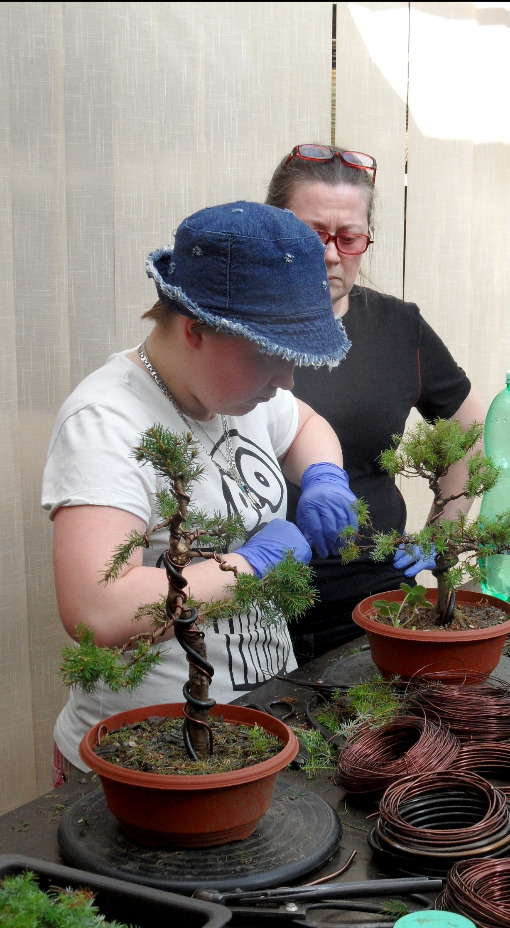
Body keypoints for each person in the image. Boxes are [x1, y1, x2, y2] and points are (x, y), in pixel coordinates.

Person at [42, 200, 358, 782]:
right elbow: (96, 608)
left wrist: (323, 476)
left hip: (256, 724)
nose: (286, 379)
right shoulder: (107, 421)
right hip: (145, 754)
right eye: (269, 356)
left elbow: (305, 425)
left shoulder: (242, 391)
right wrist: (249, 566)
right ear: (195, 329)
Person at [265, 143, 486, 663]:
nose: (330, 254)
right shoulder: (234, 333)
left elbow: (470, 424)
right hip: (251, 601)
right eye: (312, 235)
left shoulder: (397, 328)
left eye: (349, 237)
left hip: (372, 600)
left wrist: (442, 532)